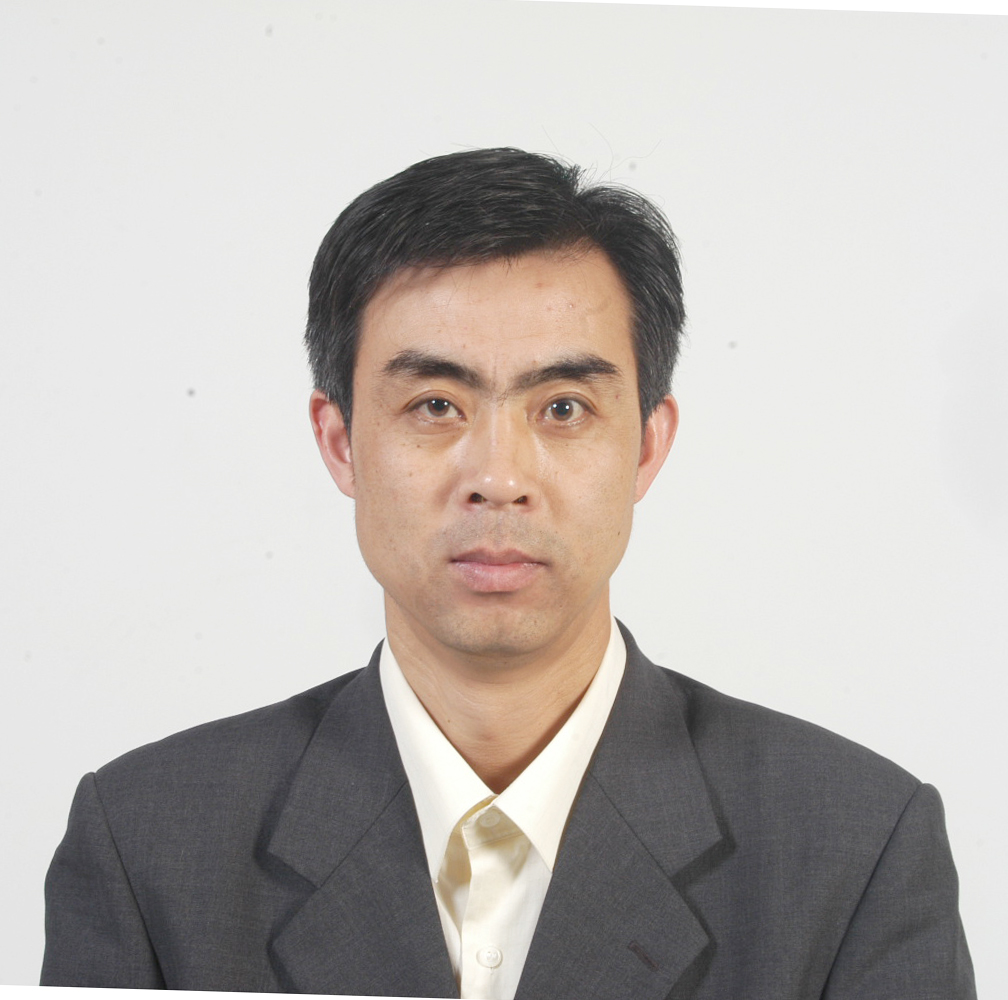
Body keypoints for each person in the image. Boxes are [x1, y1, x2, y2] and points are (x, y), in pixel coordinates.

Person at [41, 148, 976, 999]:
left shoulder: (855, 848)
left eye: (563, 407)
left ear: (648, 446)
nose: (498, 477)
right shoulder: (147, 844)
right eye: (435, 404)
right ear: (340, 442)